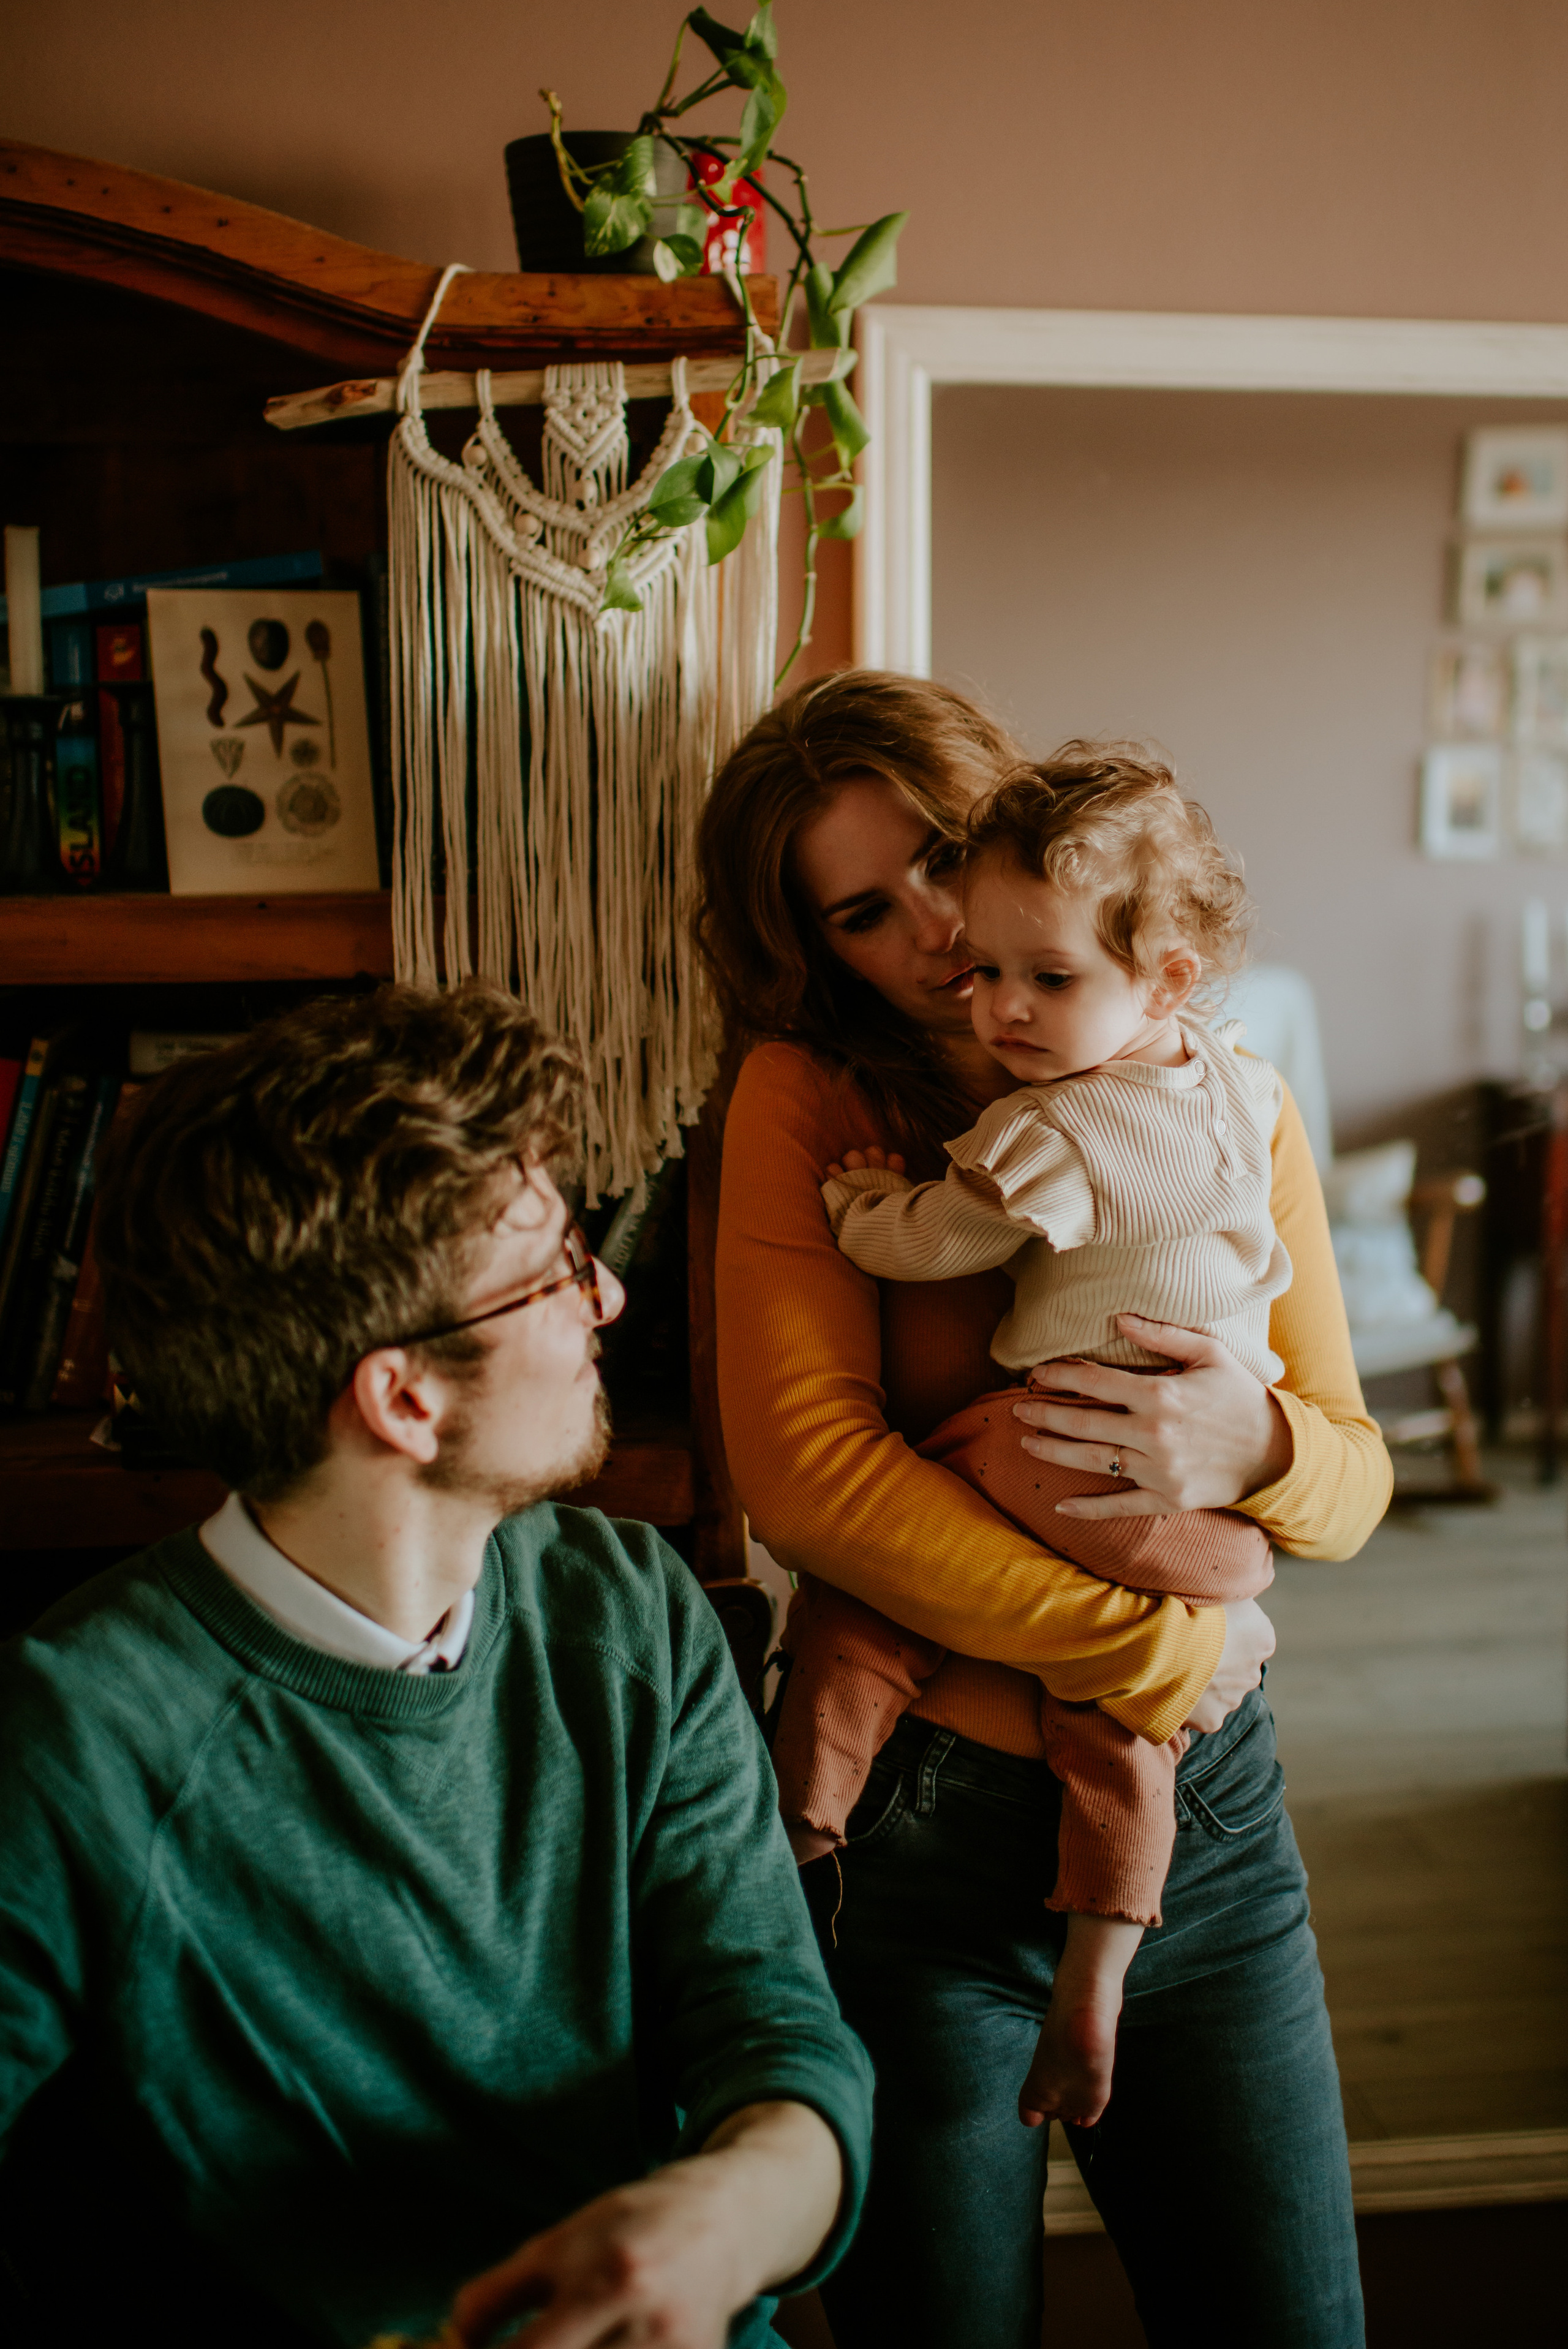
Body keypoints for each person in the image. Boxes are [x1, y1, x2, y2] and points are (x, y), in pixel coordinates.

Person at [0, 983, 872, 2349]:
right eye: (560, 1267)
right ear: (403, 1396)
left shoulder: (634, 1609)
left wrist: (717, 2219)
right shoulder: (74, 1739)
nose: (610, 1294)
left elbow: (777, 2031)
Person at [698, 670, 1392, 2349]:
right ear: (816, 946)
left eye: (943, 855)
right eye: (866, 910)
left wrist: (1259, 1444)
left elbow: (1353, 1478)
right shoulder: (814, 1105)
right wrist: (1147, 1644)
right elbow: (810, 1475)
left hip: (1212, 1829)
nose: (936, 930)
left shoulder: (1223, 1093)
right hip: (928, 1851)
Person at [774, 750, 1283, 2131]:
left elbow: (935, 1238)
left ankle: (806, 1811)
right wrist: (1244, 1499)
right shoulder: (1241, 1084)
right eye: (863, 913)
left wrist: (867, 1212)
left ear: (1164, 977)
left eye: (1040, 977)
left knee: (871, 1577)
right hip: (1207, 1534)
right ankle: (1099, 1966)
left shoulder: (1044, 1127)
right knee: (1115, 1731)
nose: (984, 989)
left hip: (1073, 1444)